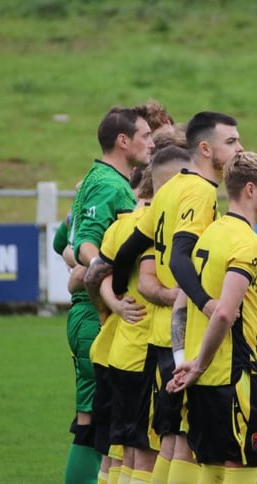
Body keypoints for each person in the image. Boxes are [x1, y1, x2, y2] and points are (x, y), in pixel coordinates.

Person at [111, 111, 244, 484]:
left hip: (158, 338)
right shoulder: (200, 192)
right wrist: (206, 302)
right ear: (205, 148)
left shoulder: (169, 189)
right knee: (184, 438)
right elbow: (180, 256)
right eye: (231, 141)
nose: (240, 147)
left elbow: (127, 251)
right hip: (183, 335)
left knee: (170, 438)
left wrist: (119, 295)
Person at [167, 151, 257, 484]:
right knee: (242, 468)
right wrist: (199, 363)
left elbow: (181, 304)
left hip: (203, 380)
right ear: (250, 189)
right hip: (234, 376)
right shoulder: (247, 243)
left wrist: (186, 360)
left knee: (211, 470)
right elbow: (223, 314)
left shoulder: (210, 234)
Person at [85, 145, 193, 484]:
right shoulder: (158, 225)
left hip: (115, 349)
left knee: (119, 451)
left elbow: (94, 274)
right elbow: (146, 284)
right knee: (147, 450)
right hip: (144, 349)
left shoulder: (120, 224)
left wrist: (112, 305)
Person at [64, 106, 155, 484]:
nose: (150, 143)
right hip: (94, 313)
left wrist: (83, 267)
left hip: (88, 310)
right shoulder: (111, 185)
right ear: (123, 141)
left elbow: (63, 240)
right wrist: (106, 282)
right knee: (96, 424)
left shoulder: (96, 179)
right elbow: (85, 244)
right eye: (146, 136)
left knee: (97, 422)